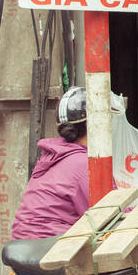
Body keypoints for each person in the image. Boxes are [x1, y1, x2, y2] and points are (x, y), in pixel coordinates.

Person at [11, 87, 91, 240]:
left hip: (24, 242)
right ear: (91, 125)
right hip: (51, 244)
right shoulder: (83, 163)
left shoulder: (55, 155)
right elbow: (106, 213)